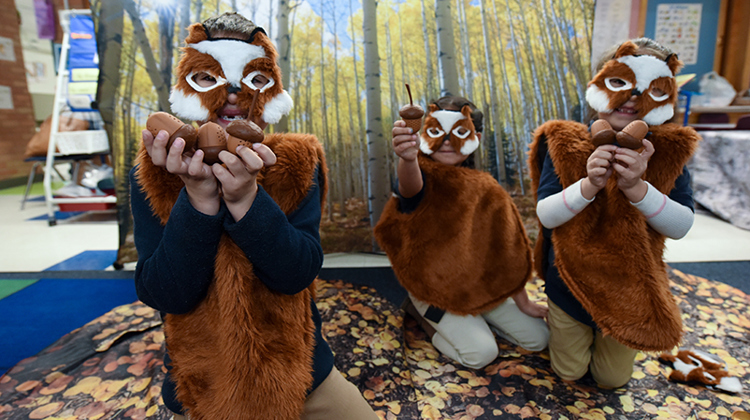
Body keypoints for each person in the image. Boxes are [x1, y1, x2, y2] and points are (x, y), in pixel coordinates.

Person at [130, 12, 377, 420]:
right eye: (209, 78)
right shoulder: (158, 169)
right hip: (200, 384)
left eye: (252, 79)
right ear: (187, 89)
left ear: (271, 89)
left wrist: (246, 198)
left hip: (300, 372)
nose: (231, 94)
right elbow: (164, 293)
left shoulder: (298, 162)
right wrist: (199, 201)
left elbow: (296, 272)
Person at [528, 38, 700, 388]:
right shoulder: (564, 141)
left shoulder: (670, 150)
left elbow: (681, 225)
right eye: (620, 84)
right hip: (570, 281)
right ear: (600, 85)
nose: (632, 98)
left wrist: (637, 187)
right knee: (569, 371)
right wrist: (589, 185)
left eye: (649, 89)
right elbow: (547, 215)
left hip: (630, 287)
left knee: (610, 380)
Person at [374, 95, 549, 369]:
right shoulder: (421, 176)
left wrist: (523, 302)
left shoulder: (487, 189)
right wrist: (408, 158)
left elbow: (508, 250)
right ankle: (425, 317)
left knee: (539, 338)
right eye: (437, 131)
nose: (446, 141)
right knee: (480, 354)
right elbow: (410, 189)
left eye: (457, 132)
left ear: (474, 136)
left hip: (478, 285)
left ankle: (479, 320)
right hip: (433, 289)